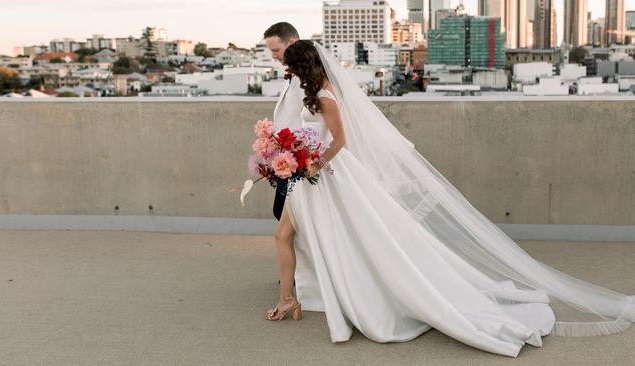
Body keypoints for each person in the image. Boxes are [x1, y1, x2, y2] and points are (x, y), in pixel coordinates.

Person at [262, 40, 635, 357]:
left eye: (290, 65)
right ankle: (296, 296)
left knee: (341, 238)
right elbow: (308, 135)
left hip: (326, 176)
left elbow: (339, 141)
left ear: (303, 65)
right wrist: (292, 154)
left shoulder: (326, 96)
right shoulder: (311, 92)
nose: (286, 70)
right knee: (302, 236)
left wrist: (315, 163)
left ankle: (309, 297)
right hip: (310, 177)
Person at [263, 22, 305, 221]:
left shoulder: (308, 77)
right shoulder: (291, 74)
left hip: (301, 160)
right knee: (282, 213)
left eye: (276, 50)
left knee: (286, 214)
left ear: (292, 42)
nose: (274, 56)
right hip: (287, 158)